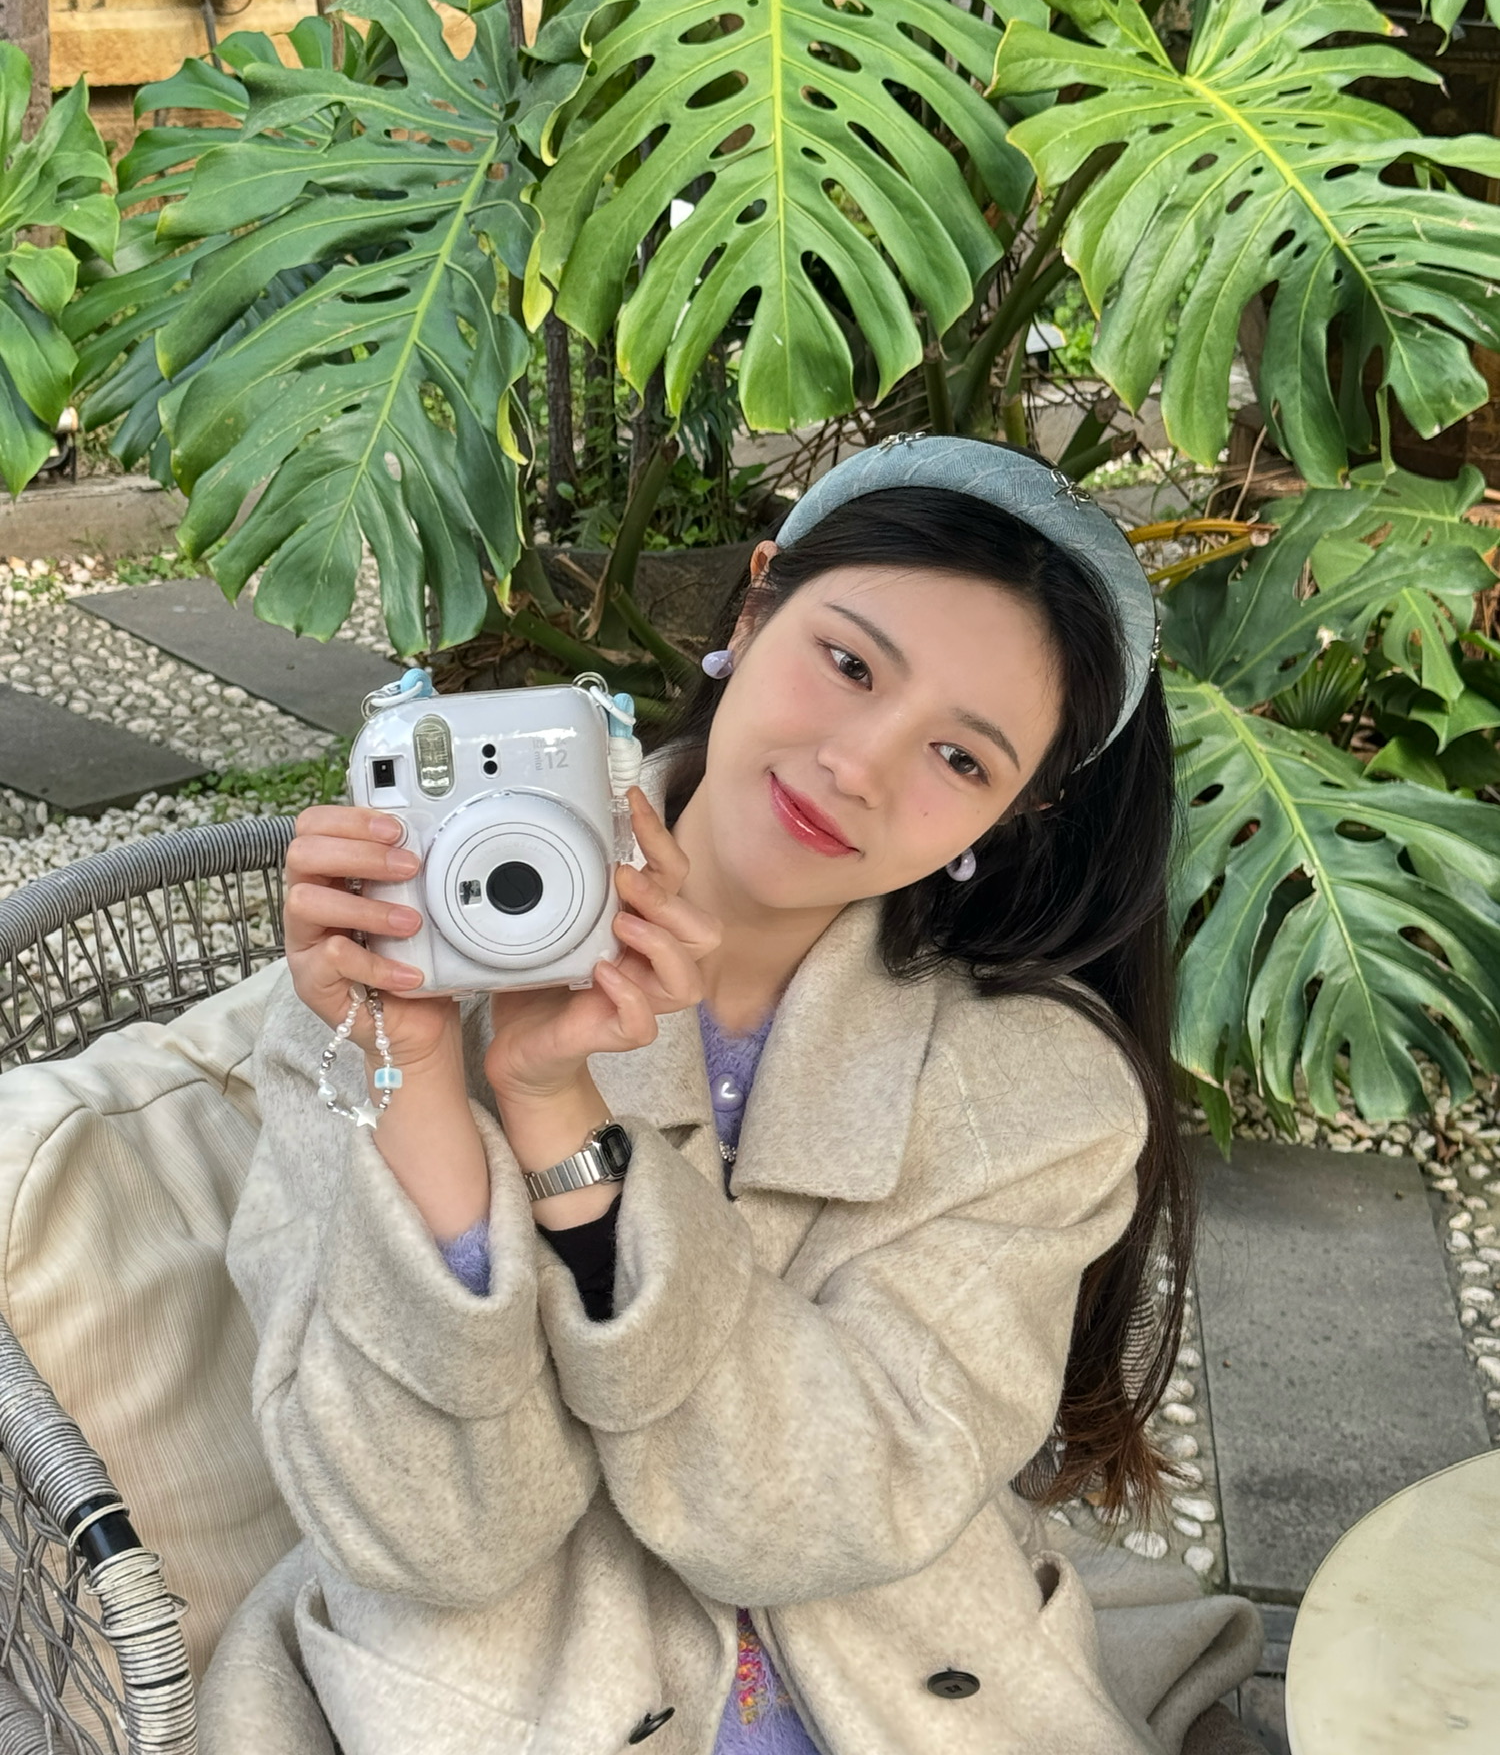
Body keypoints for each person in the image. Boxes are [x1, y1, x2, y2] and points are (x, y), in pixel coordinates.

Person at [201, 437, 1264, 1755]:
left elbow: (823, 1510)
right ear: (755, 608)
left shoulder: (1040, 1096)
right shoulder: (376, 996)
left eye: (960, 759)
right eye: (851, 665)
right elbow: (427, 1541)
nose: (860, 765)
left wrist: (564, 1125)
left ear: (1020, 810)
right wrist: (423, 1090)